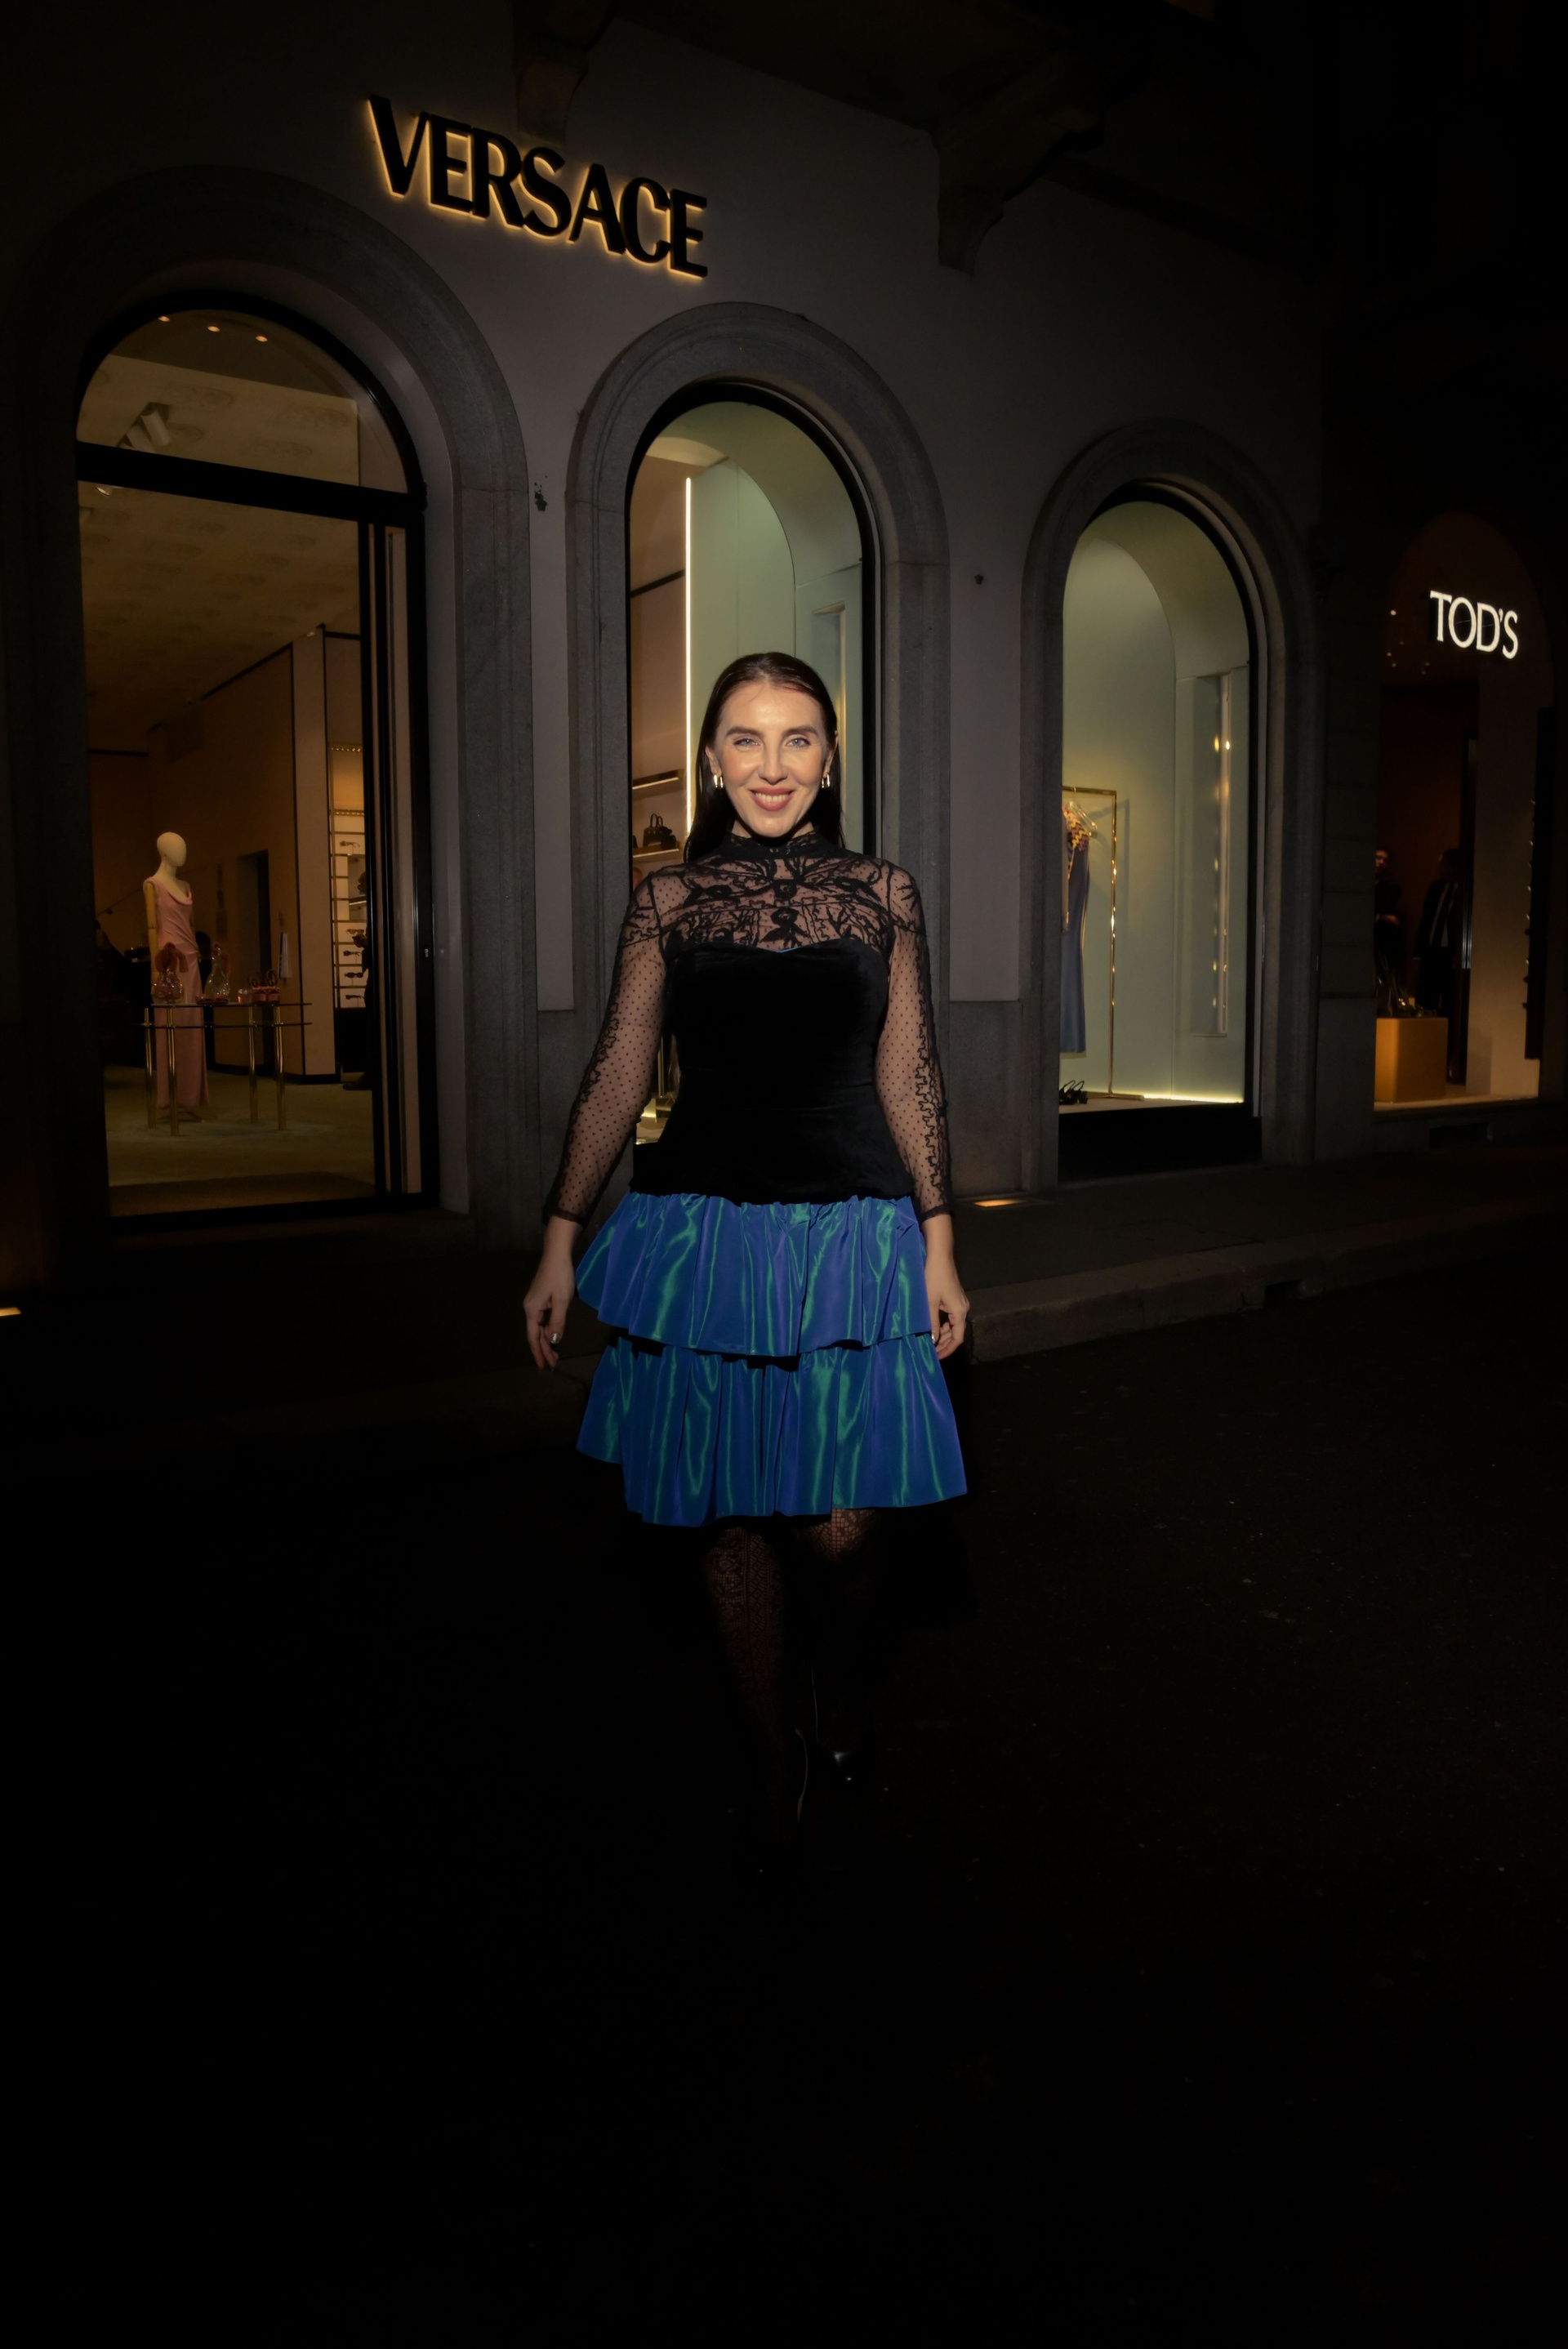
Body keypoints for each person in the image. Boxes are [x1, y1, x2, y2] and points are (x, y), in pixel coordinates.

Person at [523, 650, 969, 1866]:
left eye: (798, 738)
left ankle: (843, 1683)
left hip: (851, 1231)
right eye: (746, 739)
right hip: (705, 1233)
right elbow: (620, 1068)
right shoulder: (668, 901)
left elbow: (908, 1069)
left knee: (843, 1528)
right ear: (713, 760)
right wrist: (561, 1236)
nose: (773, 766)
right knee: (729, 1522)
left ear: (831, 757)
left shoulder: (885, 892)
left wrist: (939, 1238)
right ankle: (772, 1762)